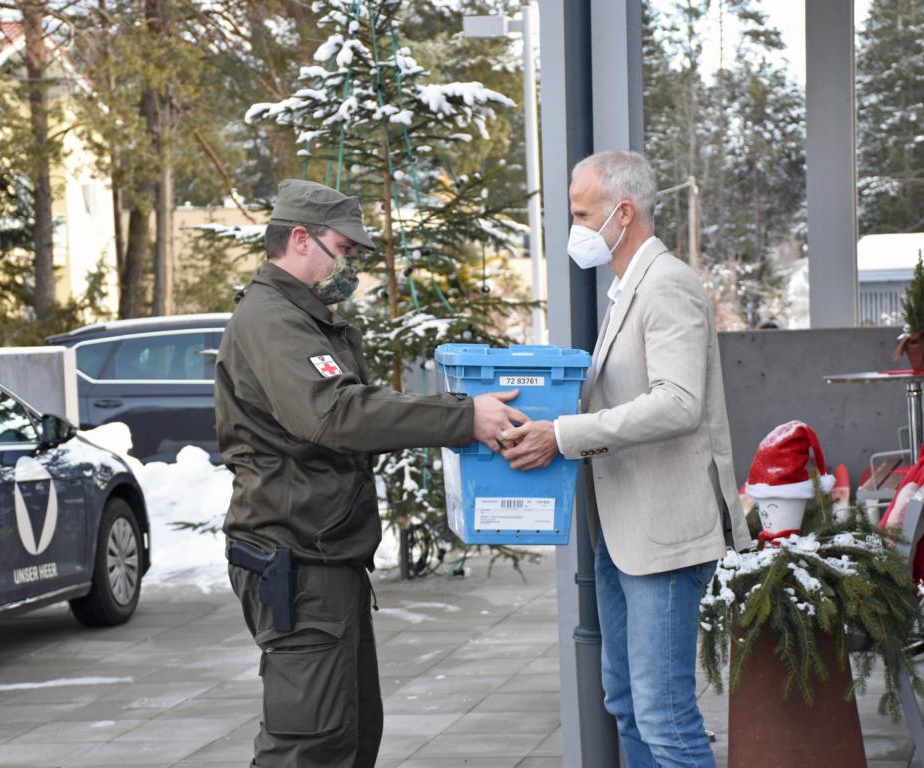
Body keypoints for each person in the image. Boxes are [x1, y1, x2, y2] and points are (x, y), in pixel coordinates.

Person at [215, 178, 527, 768]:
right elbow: (335, 413)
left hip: (321, 553)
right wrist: (463, 418)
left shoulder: (301, 317)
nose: (351, 264)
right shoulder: (273, 319)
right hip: (297, 557)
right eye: (344, 248)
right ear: (300, 239)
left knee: (350, 734)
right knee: (309, 745)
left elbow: (344, 414)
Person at [500, 150, 751, 767]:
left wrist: (564, 434)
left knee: (665, 716)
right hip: (622, 532)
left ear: (624, 213)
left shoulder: (666, 284)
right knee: (628, 703)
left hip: (662, 537)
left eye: (582, 214)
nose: (575, 228)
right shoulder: (627, 287)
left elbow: (678, 403)